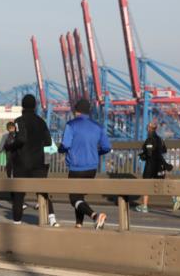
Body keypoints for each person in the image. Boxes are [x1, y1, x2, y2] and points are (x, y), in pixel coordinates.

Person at [7, 94, 58, 226]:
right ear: (35, 106)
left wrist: (10, 146)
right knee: (42, 191)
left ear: (22, 106)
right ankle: (52, 219)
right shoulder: (41, 121)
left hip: (22, 164)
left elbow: (21, 139)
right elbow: (47, 141)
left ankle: (17, 223)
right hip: (38, 163)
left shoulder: (19, 121)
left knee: (19, 195)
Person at [58, 99, 110, 229]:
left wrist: (60, 150)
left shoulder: (71, 125)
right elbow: (107, 147)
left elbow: (65, 145)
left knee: (74, 198)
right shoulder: (98, 126)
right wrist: (96, 153)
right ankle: (79, 224)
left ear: (77, 111)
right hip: (91, 168)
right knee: (79, 196)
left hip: (76, 168)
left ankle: (95, 216)